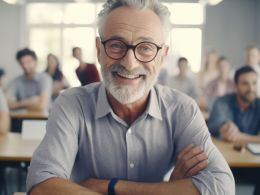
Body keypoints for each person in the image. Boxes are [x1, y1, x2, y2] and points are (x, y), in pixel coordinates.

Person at [27, 1, 234, 195]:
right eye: (116, 45)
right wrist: (168, 190)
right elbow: (41, 185)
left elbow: (221, 186)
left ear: (162, 56)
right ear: (99, 50)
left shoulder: (182, 109)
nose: (129, 63)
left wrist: (110, 186)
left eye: (145, 48)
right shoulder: (72, 104)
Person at [208, 66, 260, 143]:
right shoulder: (222, 102)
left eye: (254, 83)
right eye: (245, 84)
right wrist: (225, 127)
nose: (251, 89)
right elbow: (215, 127)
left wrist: (239, 136)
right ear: (235, 86)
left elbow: (233, 137)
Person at [6, 48, 52, 113]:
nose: (25, 65)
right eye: (22, 63)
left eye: (28, 62)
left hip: (43, 119)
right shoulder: (16, 81)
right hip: (21, 118)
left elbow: (42, 106)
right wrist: (30, 101)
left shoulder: (45, 78)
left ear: (35, 62)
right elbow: (7, 105)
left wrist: (17, 104)